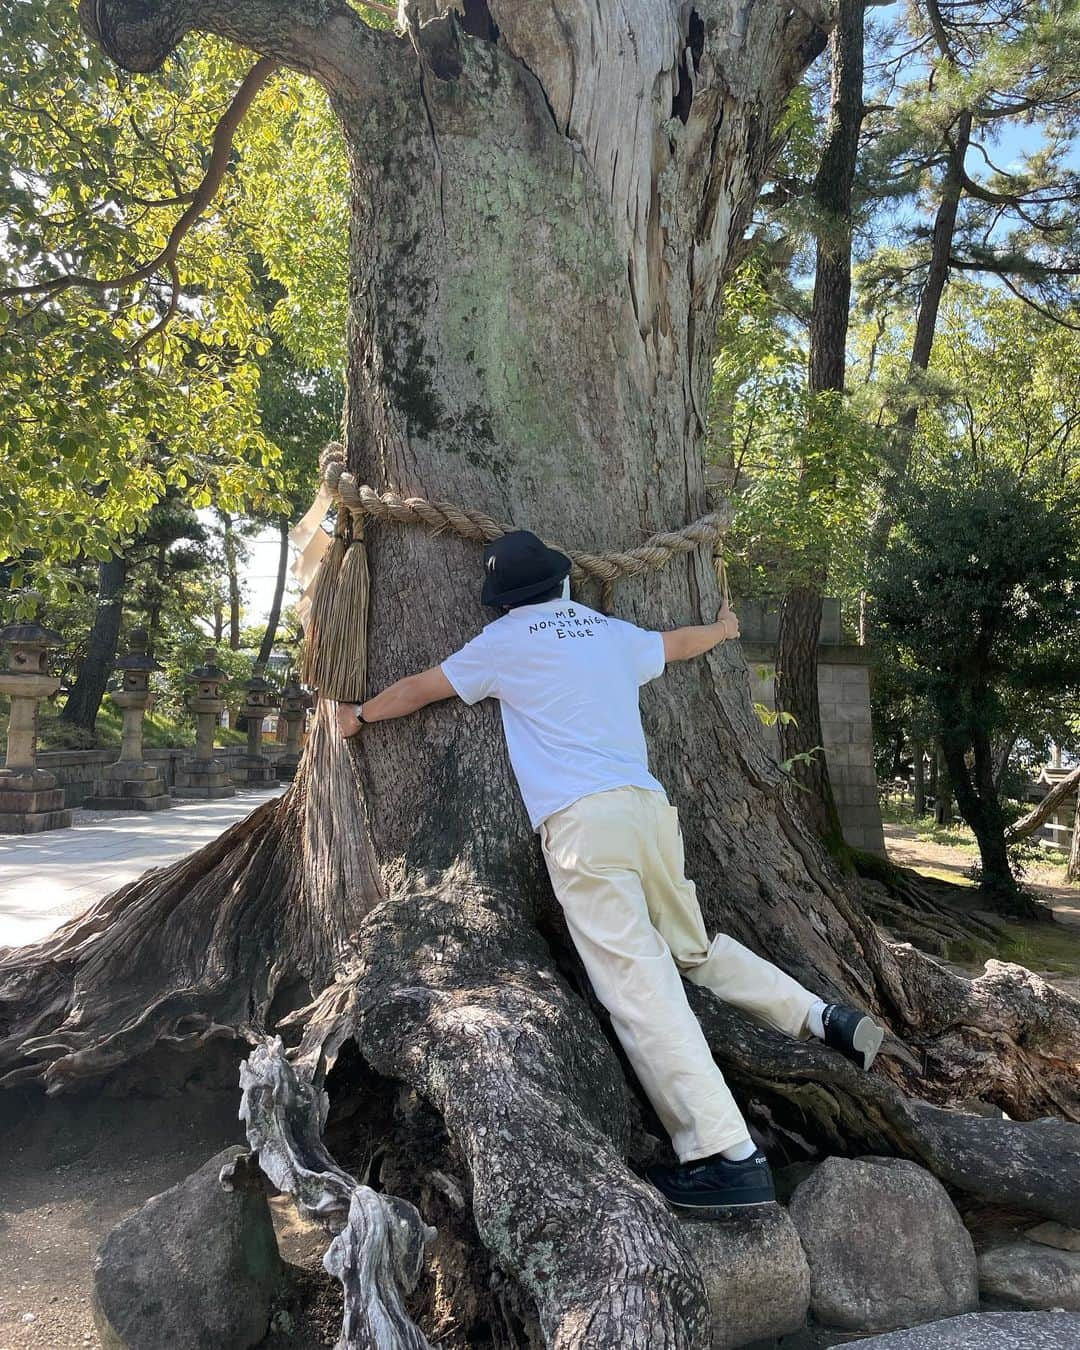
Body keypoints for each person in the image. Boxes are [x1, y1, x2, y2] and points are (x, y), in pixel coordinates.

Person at [337, 530, 884, 1209]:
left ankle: (725, 1155)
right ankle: (821, 1016)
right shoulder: (605, 630)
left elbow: (421, 689)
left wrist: (357, 714)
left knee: (638, 984)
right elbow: (674, 643)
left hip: (584, 825)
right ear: (561, 582)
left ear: (502, 600)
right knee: (692, 950)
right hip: (649, 812)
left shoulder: (506, 642)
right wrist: (720, 630)